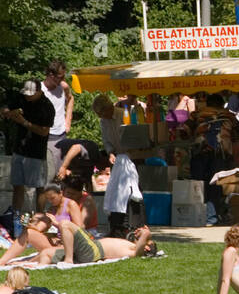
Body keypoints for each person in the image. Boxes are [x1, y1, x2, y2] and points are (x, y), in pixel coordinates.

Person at [0, 79, 55, 214]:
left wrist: (24, 123)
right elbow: (5, 108)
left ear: (39, 92)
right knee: (17, 185)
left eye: (31, 94)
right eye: (26, 94)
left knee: (39, 187)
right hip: (19, 149)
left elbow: (44, 131)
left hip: (36, 151)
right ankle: (15, 216)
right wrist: (7, 112)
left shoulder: (46, 107)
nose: (28, 97)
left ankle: (40, 215)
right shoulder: (21, 98)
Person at [92, 93, 143, 236]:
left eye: (102, 113)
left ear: (109, 108)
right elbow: (106, 140)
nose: (101, 117)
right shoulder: (103, 122)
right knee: (117, 192)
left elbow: (132, 136)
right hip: (118, 158)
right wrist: (110, 153)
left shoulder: (122, 115)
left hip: (132, 157)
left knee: (132, 192)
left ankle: (135, 223)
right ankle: (117, 224)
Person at [33, 221, 157, 266]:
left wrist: (146, 234)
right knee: (46, 253)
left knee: (65, 224)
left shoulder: (134, 252)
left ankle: (68, 260)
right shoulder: (131, 246)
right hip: (90, 249)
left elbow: (138, 251)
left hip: (92, 251)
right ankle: (28, 262)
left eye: (146, 241)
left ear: (146, 248)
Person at [42, 60, 74, 180]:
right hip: (46, 134)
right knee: (49, 172)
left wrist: (68, 121)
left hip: (60, 133)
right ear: (51, 75)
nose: (62, 80)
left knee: (60, 172)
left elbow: (70, 99)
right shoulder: (40, 90)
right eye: (60, 77)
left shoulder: (63, 86)